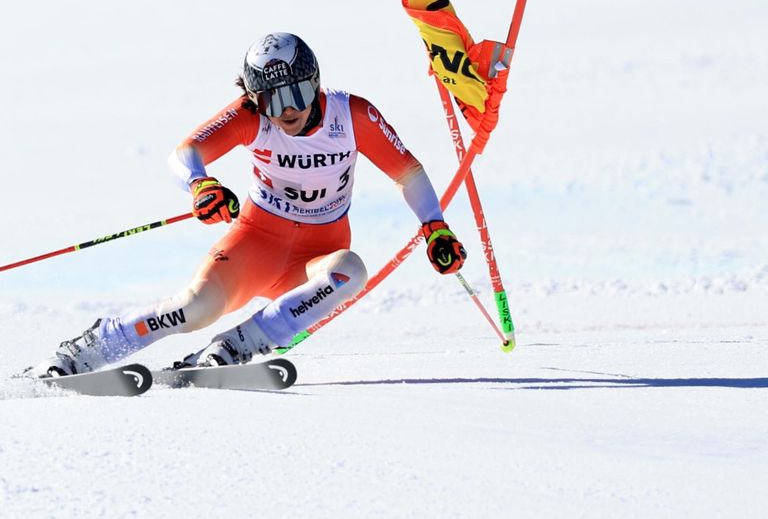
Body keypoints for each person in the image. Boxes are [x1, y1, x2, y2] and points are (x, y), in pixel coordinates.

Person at [30, 32, 466, 377]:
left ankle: (237, 345)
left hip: (315, 257)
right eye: (273, 99)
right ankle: (87, 350)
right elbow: (184, 154)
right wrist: (201, 185)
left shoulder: (351, 116)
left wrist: (435, 226)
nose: (287, 110)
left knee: (349, 272)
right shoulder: (251, 116)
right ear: (256, 99)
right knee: (194, 309)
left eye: (297, 94)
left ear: (315, 83)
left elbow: (407, 172)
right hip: (255, 244)